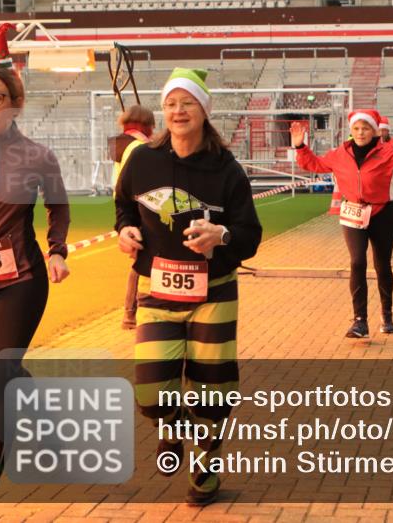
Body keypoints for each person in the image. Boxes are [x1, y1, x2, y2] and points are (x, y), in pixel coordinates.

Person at [115, 68, 262, 507]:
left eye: (188, 103)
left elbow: (250, 235)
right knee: (150, 394)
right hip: (157, 291)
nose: (178, 111)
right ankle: (175, 428)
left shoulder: (226, 169)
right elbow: (123, 205)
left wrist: (222, 237)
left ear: (204, 110)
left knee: (213, 391)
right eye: (171, 104)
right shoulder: (142, 159)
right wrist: (124, 231)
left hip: (213, 292)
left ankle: (207, 468)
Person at [0, 23, 71, 522]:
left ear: (15, 101)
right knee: (5, 378)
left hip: (19, 282)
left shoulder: (37, 156)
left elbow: (58, 206)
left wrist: (56, 250)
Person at [291, 110, 393, 338]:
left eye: (365, 128)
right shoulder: (339, 153)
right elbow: (315, 164)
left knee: (382, 265)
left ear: (374, 130)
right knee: (357, 262)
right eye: (356, 128)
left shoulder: (388, 151)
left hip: (382, 214)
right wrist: (300, 147)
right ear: (350, 131)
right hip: (353, 213)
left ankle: (387, 312)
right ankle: (360, 321)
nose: (361, 133)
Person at [109, 104, 155, 330]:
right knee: (140, 262)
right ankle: (130, 313)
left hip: (125, 205)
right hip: (139, 206)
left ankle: (130, 313)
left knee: (138, 260)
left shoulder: (120, 143)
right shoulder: (140, 146)